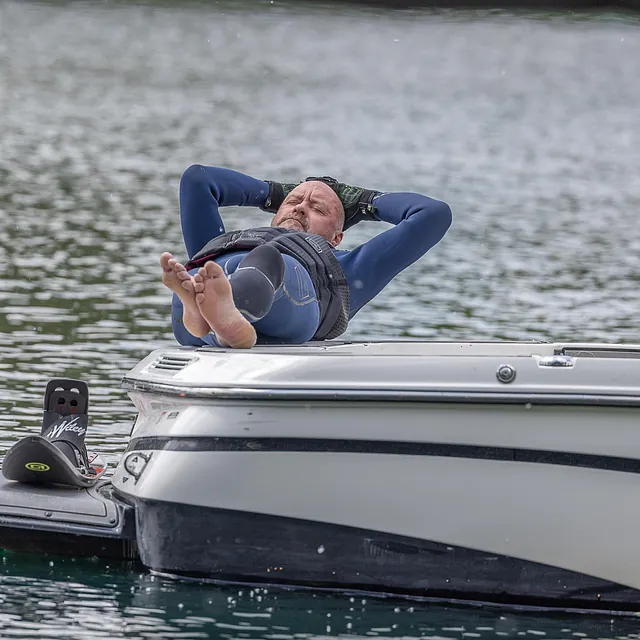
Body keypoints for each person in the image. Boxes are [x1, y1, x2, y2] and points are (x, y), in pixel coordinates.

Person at [161, 164, 452, 348]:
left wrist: (367, 202)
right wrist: (272, 193)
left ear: (337, 237)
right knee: (209, 272)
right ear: (275, 213)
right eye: (293, 202)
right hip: (207, 283)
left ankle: (214, 323)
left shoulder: (349, 268)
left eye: (319, 209)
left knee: (266, 258)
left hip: (288, 297)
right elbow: (197, 179)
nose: (300, 208)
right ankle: (214, 320)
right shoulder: (220, 246)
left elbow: (433, 215)